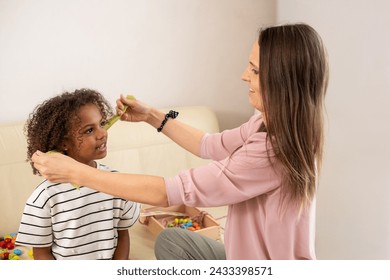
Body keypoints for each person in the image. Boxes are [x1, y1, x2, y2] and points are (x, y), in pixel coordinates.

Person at [31, 23, 329, 260]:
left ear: (280, 80)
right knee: (173, 241)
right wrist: (152, 116)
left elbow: (172, 191)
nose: (243, 76)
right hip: (244, 257)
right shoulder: (266, 124)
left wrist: (76, 172)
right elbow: (210, 144)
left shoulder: (271, 151)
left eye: (254, 70)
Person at [16, 89, 141, 260]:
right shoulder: (45, 197)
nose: (102, 133)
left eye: (102, 124)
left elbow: (122, 235)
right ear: (64, 142)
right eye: (89, 130)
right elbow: (41, 252)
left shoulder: (117, 183)